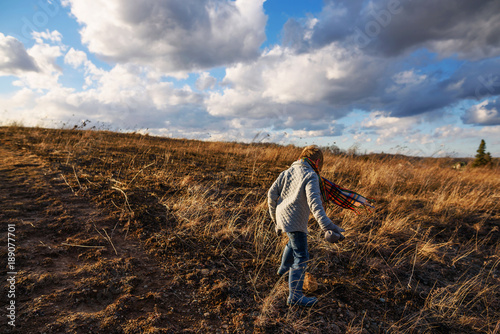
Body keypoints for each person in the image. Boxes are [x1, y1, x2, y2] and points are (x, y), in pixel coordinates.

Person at [267, 145, 345, 307]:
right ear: (317, 162)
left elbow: (271, 194)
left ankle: (283, 270)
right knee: (301, 256)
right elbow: (315, 204)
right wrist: (328, 226)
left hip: (282, 215)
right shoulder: (310, 175)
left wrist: (275, 219)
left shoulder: (287, 172)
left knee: (292, 243)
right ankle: (295, 296)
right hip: (294, 221)